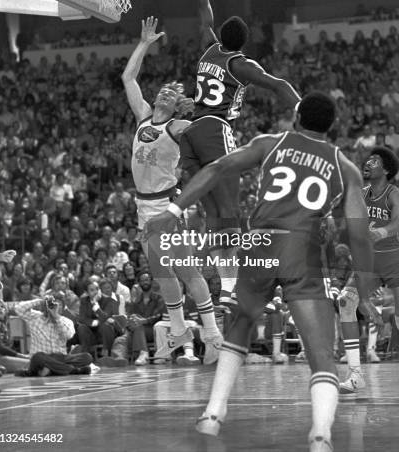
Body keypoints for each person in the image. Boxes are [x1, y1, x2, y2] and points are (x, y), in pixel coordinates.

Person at [144, 92, 379, 452]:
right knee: (320, 353)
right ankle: (320, 434)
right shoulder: (344, 166)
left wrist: (172, 212)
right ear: (330, 127)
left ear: (297, 116)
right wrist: (364, 287)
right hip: (302, 250)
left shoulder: (271, 142)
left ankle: (213, 413)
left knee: (239, 326)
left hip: (261, 246)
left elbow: (217, 169)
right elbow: (360, 234)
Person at [179, 0, 301, 308]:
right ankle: (251, 281)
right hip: (216, 128)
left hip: (192, 133)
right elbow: (277, 85)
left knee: (215, 218)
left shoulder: (208, 46)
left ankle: (228, 292)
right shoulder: (241, 64)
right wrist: (303, 110)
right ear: (245, 42)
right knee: (230, 213)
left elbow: (204, 6)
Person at [122, 16, 223, 364]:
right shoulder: (144, 116)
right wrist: (144, 45)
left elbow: (202, 131)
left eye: (171, 92)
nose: (164, 91)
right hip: (142, 207)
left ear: (177, 104)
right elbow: (128, 78)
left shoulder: (178, 125)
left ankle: (211, 332)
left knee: (186, 270)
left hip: (167, 206)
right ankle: (180, 332)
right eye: (163, 88)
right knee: (163, 273)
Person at [339, 146, 399, 393]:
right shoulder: (360, 195)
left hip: (394, 258)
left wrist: (381, 232)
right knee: (345, 302)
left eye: (374, 161)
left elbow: (398, 222)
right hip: (369, 263)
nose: (367, 163)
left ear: (385, 169)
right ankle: (355, 375)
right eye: (368, 160)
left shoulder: (393, 193)